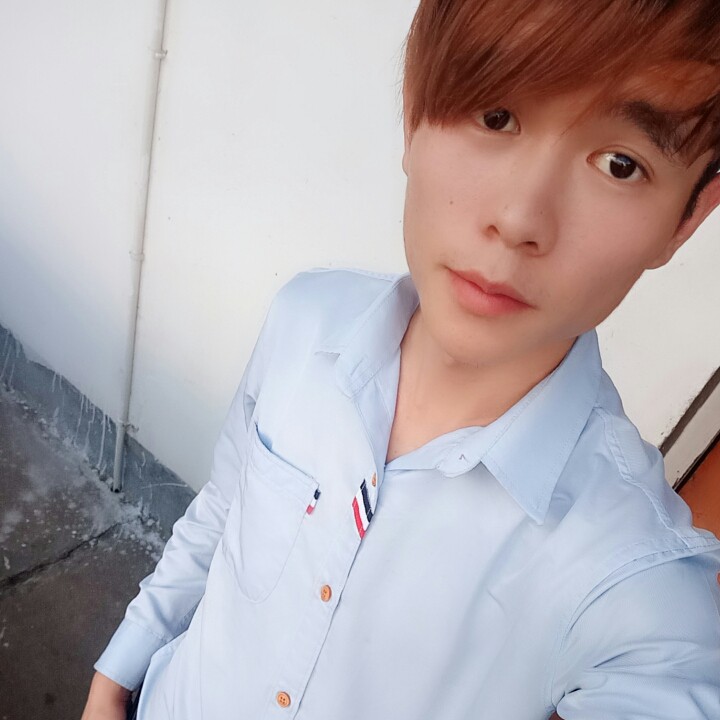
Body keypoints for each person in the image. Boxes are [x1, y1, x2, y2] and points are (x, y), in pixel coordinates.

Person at [81, 1, 720, 718]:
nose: (518, 220)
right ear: (413, 109)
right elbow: (222, 514)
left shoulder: (637, 585)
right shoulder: (306, 318)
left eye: (621, 165)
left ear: (688, 218)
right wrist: (119, 671)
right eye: (497, 116)